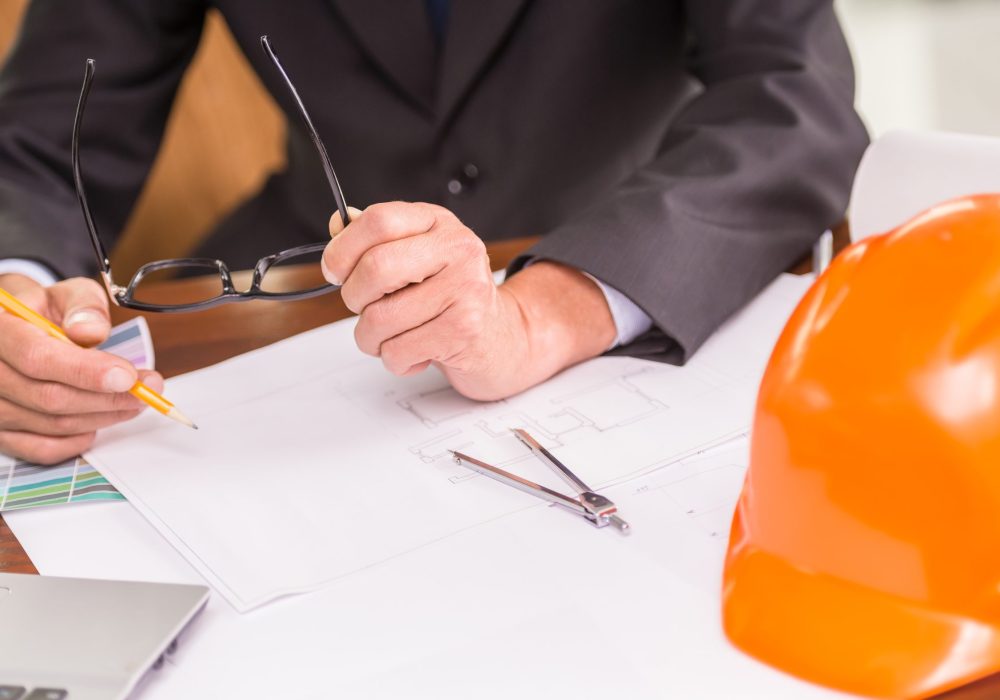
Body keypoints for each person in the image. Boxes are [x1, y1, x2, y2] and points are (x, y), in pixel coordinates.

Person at [0, 0, 868, 464]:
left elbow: (796, 103)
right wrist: (15, 285)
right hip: (297, 296)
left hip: (634, 258)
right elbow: (35, 141)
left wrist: (546, 312)